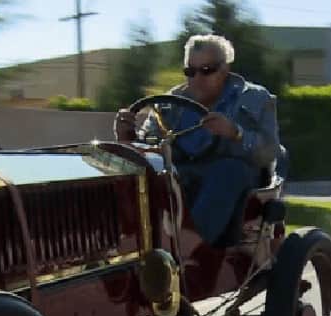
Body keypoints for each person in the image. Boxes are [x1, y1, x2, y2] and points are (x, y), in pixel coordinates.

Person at [114, 34, 280, 245]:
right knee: (137, 178)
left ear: (225, 68)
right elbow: (149, 149)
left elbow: (271, 151)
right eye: (190, 72)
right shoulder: (169, 102)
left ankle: (190, 249)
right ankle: (125, 245)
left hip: (238, 179)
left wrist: (235, 133)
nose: (197, 79)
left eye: (207, 70)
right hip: (181, 175)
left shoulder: (256, 98)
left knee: (228, 170)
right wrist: (127, 136)